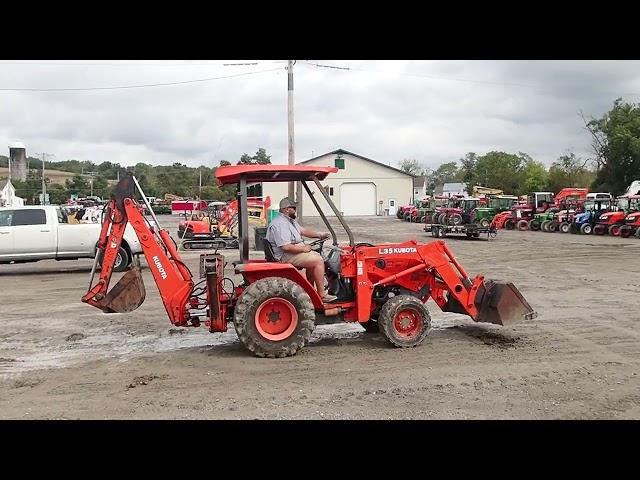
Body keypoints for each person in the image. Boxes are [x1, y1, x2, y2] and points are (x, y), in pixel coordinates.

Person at [266, 197, 337, 302]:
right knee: (318, 261)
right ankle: (322, 294)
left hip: (289, 253)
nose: (295, 210)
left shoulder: (290, 221)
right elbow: (286, 247)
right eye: (293, 208)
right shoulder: (280, 224)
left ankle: (311, 292)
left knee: (315, 257)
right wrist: (303, 249)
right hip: (284, 256)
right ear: (286, 209)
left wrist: (319, 235)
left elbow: (303, 231)